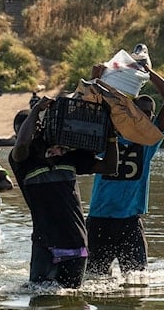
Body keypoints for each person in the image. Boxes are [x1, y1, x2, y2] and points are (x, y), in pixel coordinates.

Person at [9, 96, 119, 289]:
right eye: (23, 131)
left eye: (34, 127)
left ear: (42, 126)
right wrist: (35, 110)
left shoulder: (69, 156)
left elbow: (109, 167)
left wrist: (111, 135)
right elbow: (21, 146)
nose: (29, 134)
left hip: (75, 239)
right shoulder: (22, 161)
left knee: (72, 300)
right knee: (39, 296)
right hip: (45, 241)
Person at [87, 60, 164, 275]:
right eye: (139, 112)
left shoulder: (149, 142)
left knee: (138, 281)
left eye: (148, 115)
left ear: (152, 119)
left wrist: (150, 73)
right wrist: (95, 79)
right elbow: (88, 110)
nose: (143, 117)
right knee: (92, 279)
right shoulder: (107, 135)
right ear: (130, 113)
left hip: (129, 222)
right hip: (99, 219)